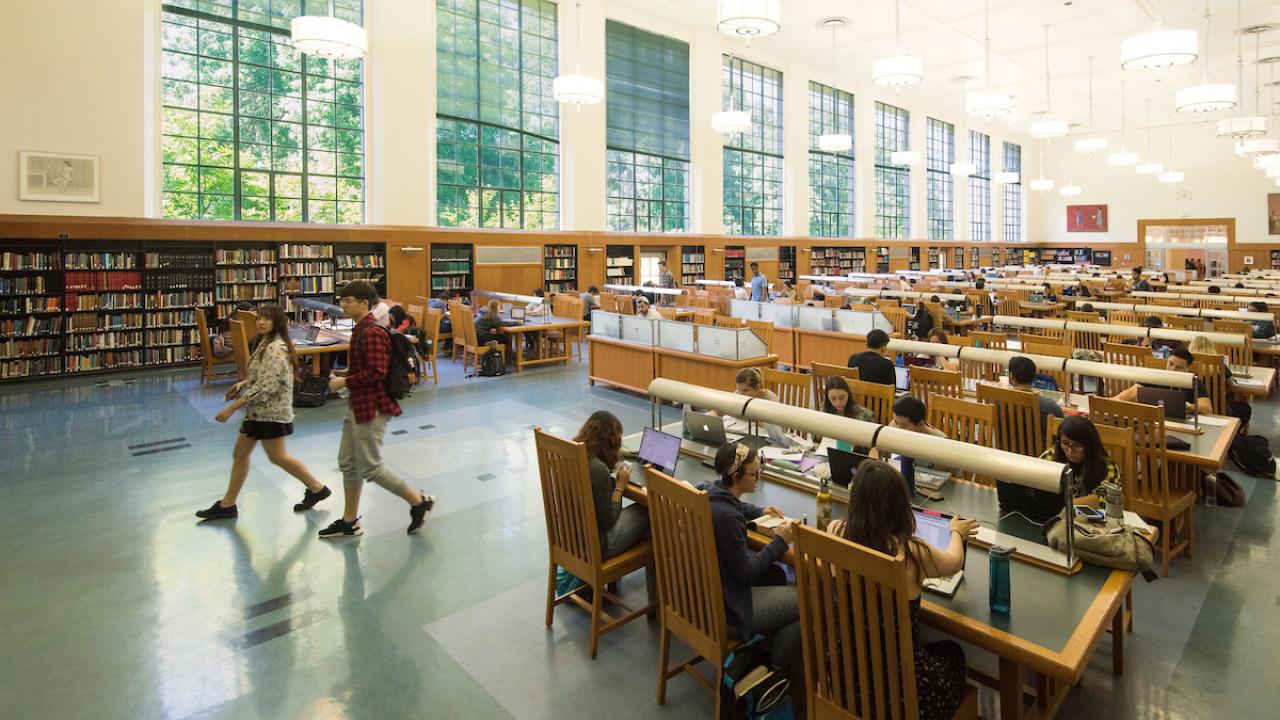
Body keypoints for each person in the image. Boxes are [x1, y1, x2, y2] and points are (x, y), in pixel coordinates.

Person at [825, 460, 977, 720]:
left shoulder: (836, 531)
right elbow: (954, 561)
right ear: (899, 505)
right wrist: (955, 532)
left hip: (845, 679)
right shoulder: (911, 553)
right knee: (953, 652)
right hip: (905, 699)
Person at [319, 280, 435, 538]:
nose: (343, 305)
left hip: (371, 406)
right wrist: (347, 371)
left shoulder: (371, 331)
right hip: (358, 404)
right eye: (343, 300)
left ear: (364, 303)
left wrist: (344, 381)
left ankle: (419, 501)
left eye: (348, 301)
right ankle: (349, 522)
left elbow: (376, 372)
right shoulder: (362, 328)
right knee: (348, 463)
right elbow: (368, 365)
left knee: (370, 467)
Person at [196, 303, 331, 520]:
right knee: (241, 454)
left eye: (266, 319)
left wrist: (232, 408)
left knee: (278, 457)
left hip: (271, 412)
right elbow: (263, 374)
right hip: (259, 410)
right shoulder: (265, 342)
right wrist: (242, 384)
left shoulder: (275, 347)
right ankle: (227, 504)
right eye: (259, 318)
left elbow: (267, 386)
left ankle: (317, 488)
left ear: (276, 322)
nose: (260, 322)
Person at [704, 442, 799, 668]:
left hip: (705, 596)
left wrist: (758, 511)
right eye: (755, 473)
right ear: (737, 476)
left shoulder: (708, 493)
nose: (758, 477)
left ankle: (767, 646)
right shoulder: (728, 519)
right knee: (806, 600)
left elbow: (731, 505)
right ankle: (772, 665)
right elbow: (746, 573)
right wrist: (780, 542)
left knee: (775, 574)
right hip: (732, 610)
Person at [573, 411, 654, 596]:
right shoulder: (598, 470)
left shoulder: (576, 454)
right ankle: (656, 602)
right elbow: (608, 521)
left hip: (573, 540)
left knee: (643, 524)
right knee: (651, 512)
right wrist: (619, 486)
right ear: (608, 443)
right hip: (598, 546)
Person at [1039, 417, 1122, 507]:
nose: (1070, 451)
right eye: (1065, 443)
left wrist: (1061, 505)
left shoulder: (1108, 467)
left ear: (1090, 445)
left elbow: (1100, 498)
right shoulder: (1050, 456)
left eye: (1077, 445)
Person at [1113, 347, 1213, 415]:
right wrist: (1114, 400)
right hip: (1152, 419)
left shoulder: (1192, 381)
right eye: (1170, 364)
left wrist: (1189, 406)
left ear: (1187, 368)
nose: (1172, 369)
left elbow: (1207, 408)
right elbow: (1131, 392)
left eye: (1178, 367)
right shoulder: (1154, 376)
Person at [1007, 356, 1065, 428]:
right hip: (1040, 439)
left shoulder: (998, 402)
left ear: (1011, 376)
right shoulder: (1050, 407)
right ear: (1034, 377)